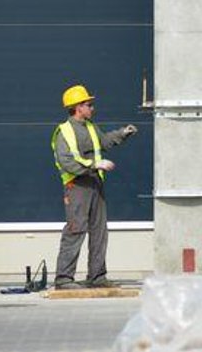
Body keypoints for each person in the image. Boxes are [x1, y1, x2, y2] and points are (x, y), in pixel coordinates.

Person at [51, 84, 138, 289]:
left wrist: (123, 133)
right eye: (88, 104)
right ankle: (63, 279)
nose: (92, 108)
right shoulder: (64, 132)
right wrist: (95, 164)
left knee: (99, 231)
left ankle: (97, 277)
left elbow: (104, 142)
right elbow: (66, 162)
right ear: (77, 107)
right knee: (75, 230)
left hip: (94, 184)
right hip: (77, 186)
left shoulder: (90, 127)